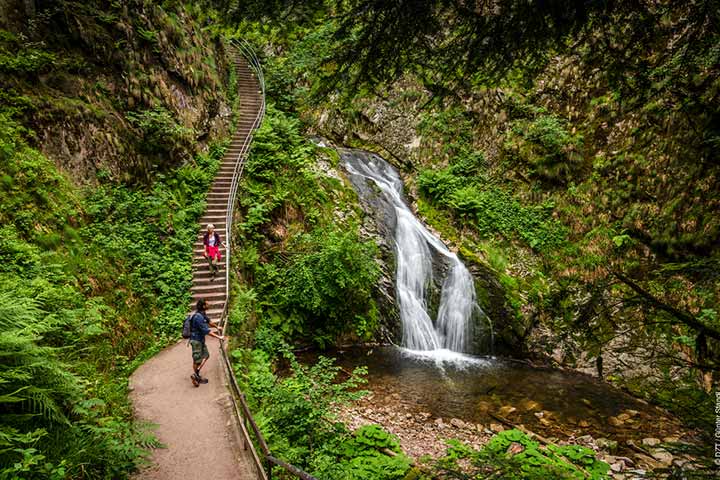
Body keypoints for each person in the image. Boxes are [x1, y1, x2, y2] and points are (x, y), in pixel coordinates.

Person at [189, 299, 224, 387]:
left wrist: (217, 327)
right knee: (197, 360)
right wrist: (219, 337)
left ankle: (196, 375)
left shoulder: (202, 314)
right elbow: (207, 331)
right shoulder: (198, 317)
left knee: (206, 356)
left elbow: (209, 322)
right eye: (207, 303)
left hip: (200, 340)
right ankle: (196, 377)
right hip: (196, 341)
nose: (209, 304)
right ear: (203, 306)